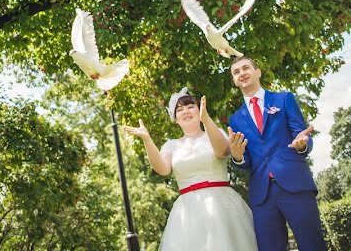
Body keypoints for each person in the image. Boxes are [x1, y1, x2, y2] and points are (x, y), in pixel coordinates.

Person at [123, 88, 258, 250]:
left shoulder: (215, 132)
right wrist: (147, 139)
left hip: (221, 205)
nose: (185, 111)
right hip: (187, 212)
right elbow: (163, 169)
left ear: (199, 110)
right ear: (175, 119)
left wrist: (206, 119)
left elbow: (222, 151)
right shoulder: (171, 145)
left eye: (190, 106)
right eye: (179, 110)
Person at [227, 57, 326, 251]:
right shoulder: (235, 118)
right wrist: (238, 157)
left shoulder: (284, 99)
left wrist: (302, 145)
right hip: (262, 195)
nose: (242, 73)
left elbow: (302, 135)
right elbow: (244, 161)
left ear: (258, 72)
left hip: (295, 185)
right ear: (234, 81)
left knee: (312, 244)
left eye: (246, 68)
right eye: (236, 72)